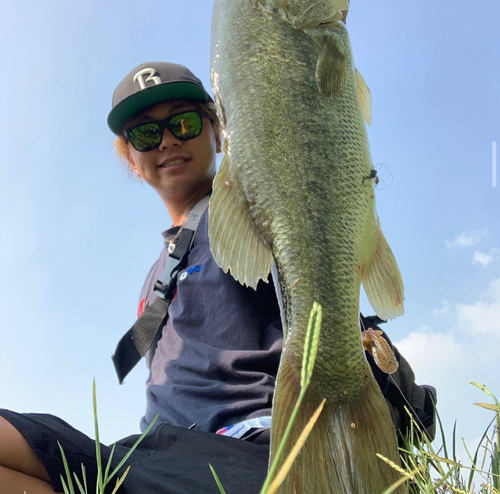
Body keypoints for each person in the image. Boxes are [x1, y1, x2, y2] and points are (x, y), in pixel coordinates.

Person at [0, 61, 436, 494]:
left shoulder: (258, 210)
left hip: (263, 442)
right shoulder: (156, 275)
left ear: (219, 131)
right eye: (146, 134)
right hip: (160, 454)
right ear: (132, 159)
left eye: (184, 122)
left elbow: (301, 128)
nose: (168, 140)